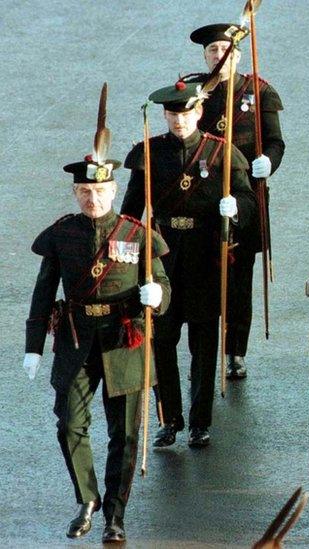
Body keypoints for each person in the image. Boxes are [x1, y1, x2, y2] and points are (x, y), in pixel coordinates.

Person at [24, 154, 171, 543]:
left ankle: (114, 515)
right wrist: (33, 347)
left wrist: (157, 296)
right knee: (70, 423)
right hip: (76, 340)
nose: (93, 199)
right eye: (85, 192)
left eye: (100, 191)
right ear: (75, 194)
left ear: (114, 191)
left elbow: (164, 286)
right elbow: (43, 295)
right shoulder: (62, 235)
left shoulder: (136, 233)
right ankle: (87, 498)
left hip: (124, 341)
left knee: (123, 434)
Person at [120, 78, 255, 448]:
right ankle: (169, 420)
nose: (179, 121)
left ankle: (199, 421)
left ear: (199, 113)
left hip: (204, 255)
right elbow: (132, 212)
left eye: (186, 113)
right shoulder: (149, 153)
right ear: (165, 116)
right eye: (171, 114)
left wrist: (236, 208)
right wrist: (125, 255)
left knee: (203, 342)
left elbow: (248, 199)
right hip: (162, 254)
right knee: (162, 340)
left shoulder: (220, 153)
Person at [189, 23, 286, 379]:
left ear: (238, 55)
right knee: (199, 278)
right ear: (205, 56)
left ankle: (234, 352)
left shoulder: (258, 92)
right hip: (201, 197)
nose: (219, 56)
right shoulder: (194, 91)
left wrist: (268, 164)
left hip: (245, 194)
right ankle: (202, 353)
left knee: (239, 278)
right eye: (213, 50)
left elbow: (276, 142)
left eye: (225, 50)